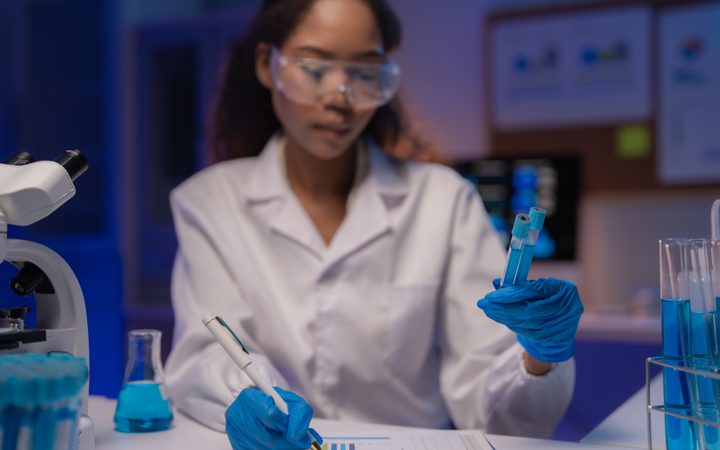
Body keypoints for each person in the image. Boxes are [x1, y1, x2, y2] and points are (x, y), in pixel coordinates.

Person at [164, 0, 584, 448]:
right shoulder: (210, 201)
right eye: (314, 67)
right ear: (269, 66)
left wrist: (537, 357)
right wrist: (245, 398)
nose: (340, 97)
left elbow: (492, 399)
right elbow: (207, 350)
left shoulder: (443, 200)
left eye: (364, 72)